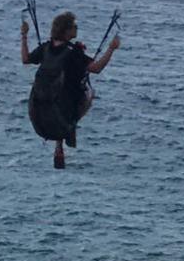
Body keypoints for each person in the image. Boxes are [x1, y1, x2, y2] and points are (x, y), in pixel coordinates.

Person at [21, 9, 119, 169]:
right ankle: (69, 129)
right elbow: (96, 68)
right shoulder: (73, 52)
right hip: (62, 117)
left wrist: (24, 35)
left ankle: (60, 143)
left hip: (38, 116)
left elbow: (25, 59)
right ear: (66, 31)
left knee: (67, 82)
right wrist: (111, 49)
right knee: (88, 93)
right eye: (74, 26)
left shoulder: (45, 48)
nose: (76, 29)